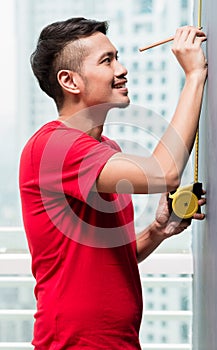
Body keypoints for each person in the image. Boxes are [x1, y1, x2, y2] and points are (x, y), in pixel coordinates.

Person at [19, 17, 207, 350]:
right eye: (107, 61)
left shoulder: (106, 151)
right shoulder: (55, 147)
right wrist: (193, 76)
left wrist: (157, 231)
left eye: (117, 57)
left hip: (116, 342)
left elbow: (108, 258)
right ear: (70, 81)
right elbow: (166, 172)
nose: (122, 70)